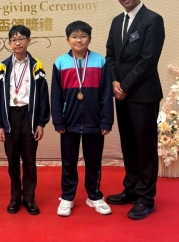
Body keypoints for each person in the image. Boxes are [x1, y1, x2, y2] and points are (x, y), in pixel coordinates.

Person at [105, 0, 165, 220]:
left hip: (143, 94)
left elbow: (148, 60)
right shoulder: (117, 21)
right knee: (128, 144)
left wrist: (125, 86)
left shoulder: (153, 20)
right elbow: (110, 55)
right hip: (122, 93)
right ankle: (131, 189)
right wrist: (114, 82)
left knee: (145, 147)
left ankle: (146, 198)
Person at [51, 20, 114, 217]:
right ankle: (67, 196)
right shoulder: (60, 62)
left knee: (94, 161)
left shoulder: (100, 61)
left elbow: (106, 94)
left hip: (94, 122)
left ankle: (94, 195)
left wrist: (106, 120)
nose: (79, 40)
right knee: (68, 161)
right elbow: (56, 95)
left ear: (90, 38)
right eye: (74, 36)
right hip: (68, 122)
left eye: (83, 36)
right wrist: (58, 120)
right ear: (67, 40)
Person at [0, 25, 50, 215]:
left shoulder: (37, 65)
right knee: (13, 161)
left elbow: (43, 95)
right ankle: (15, 197)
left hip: (29, 116)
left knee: (30, 160)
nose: (18, 43)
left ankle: (30, 198)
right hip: (10, 117)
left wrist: (41, 122)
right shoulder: (3, 66)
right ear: (9, 43)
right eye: (14, 40)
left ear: (28, 41)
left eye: (21, 39)